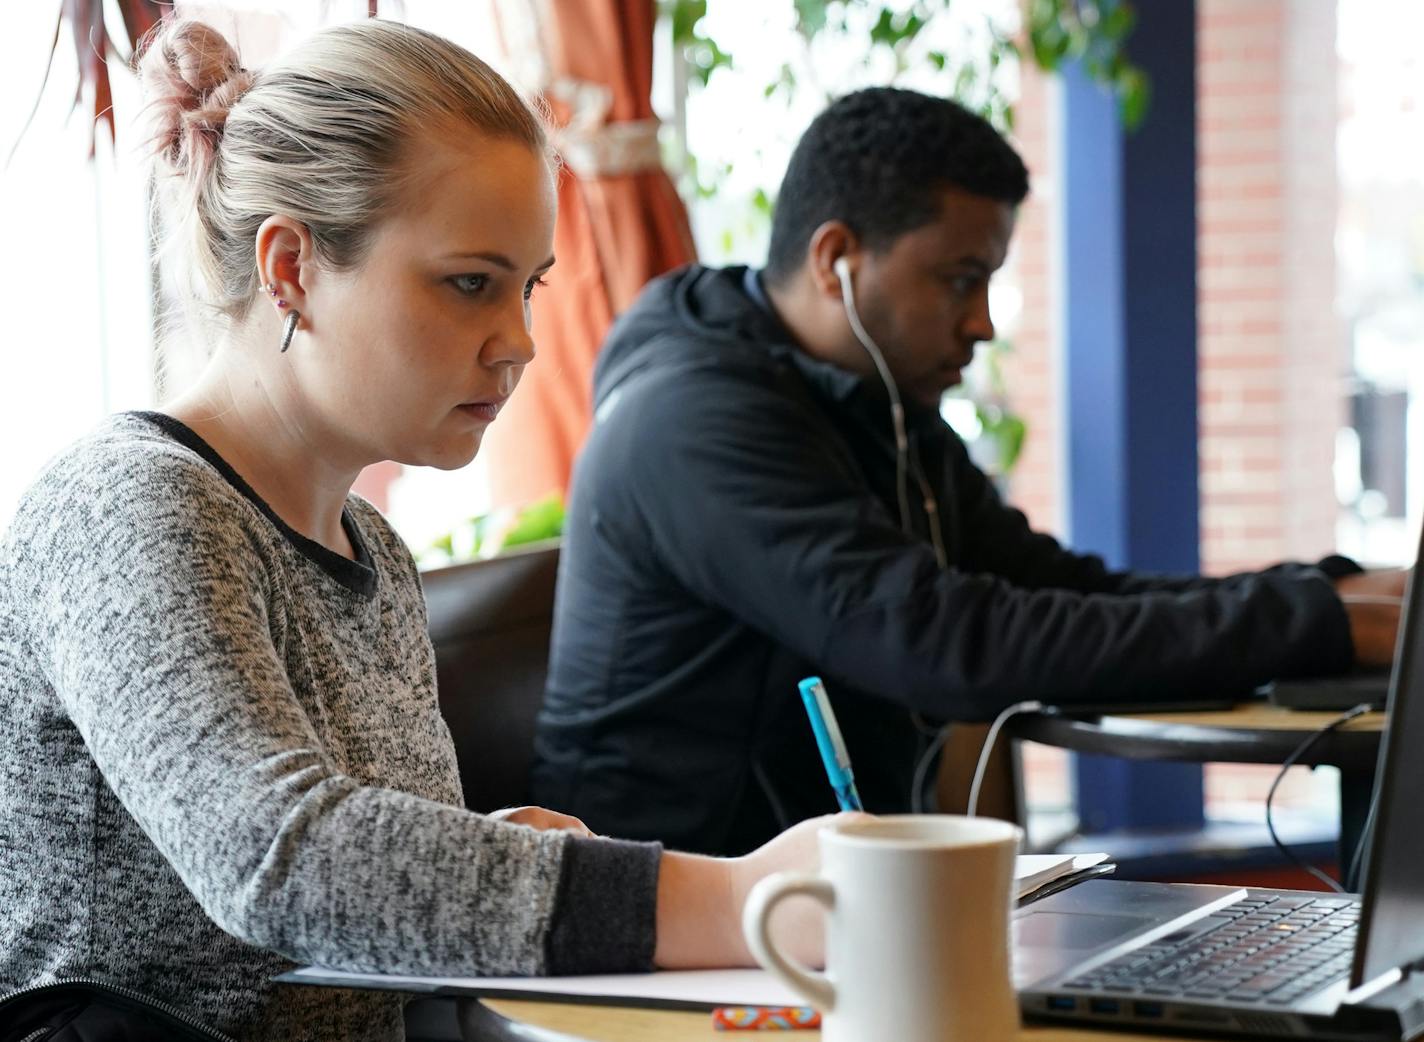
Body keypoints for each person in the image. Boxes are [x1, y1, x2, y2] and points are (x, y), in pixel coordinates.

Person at [0, 20, 833, 1041]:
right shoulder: (129, 505)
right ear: (291, 267)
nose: (519, 342)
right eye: (469, 282)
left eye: (527, 288)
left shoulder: (371, 552)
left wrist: (475, 854)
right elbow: (284, 862)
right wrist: (750, 897)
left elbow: (318, 911)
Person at [531, 86, 1408, 858]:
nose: (983, 323)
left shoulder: (873, 406)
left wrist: (1326, 593)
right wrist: (1317, 624)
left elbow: (1055, 588)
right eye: (960, 279)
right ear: (838, 259)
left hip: (827, 898)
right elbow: (949, 645)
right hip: (676, 926)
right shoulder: (692, 422)